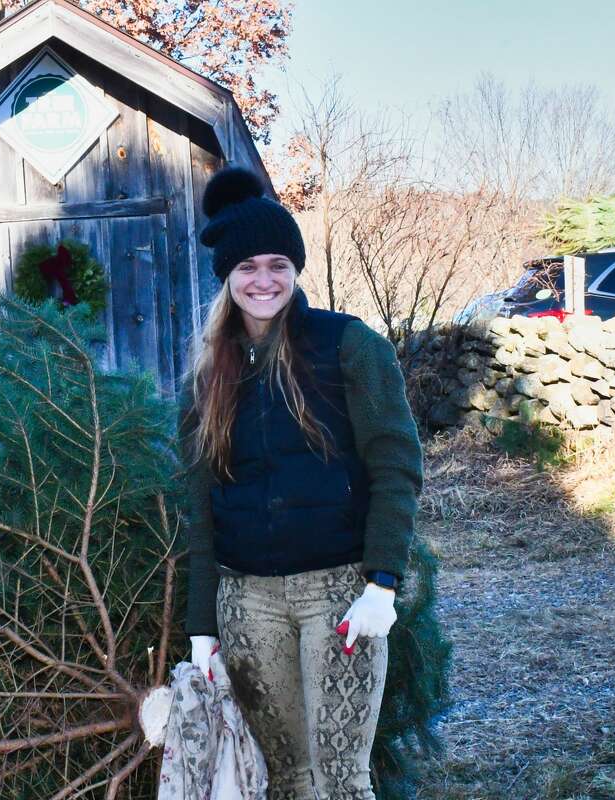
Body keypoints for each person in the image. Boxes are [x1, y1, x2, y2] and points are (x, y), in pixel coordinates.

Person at [179, 167, 424, 800]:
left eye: (278, 264)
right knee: (286, 778)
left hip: (339, 596)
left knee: (343, 779)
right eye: (248, 267)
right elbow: (201, 506)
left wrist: (382, 583)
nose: (264, 280)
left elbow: (395, 463)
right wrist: (202, 625)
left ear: (296, 269)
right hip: (246, 601)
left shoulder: (349, 346)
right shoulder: (208, 376)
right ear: (227, 278)